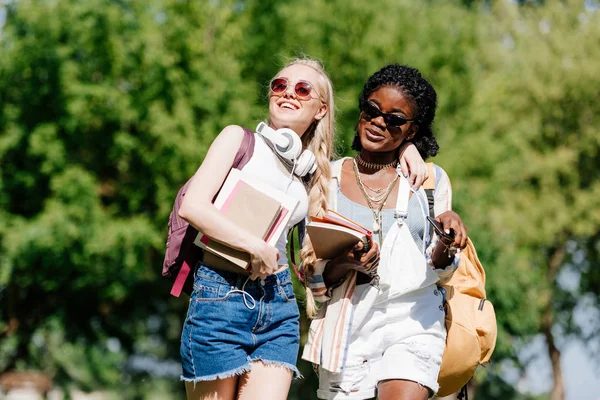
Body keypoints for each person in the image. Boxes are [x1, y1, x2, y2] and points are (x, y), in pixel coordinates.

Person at [177, 57, 428, 400]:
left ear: (321, 109)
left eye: (302, 89)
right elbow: (193, 205)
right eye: (279, 85)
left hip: (277, 304)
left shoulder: (314, 173)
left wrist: (410, 148)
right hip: (219, 298)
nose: (288, 94)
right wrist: (256, 246)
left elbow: (377, 152)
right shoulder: (238, 139)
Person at [301, 64, 468, 400]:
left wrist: (447, 242)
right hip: (345, 328)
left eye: (394, 120)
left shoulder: (429, 183)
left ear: (411, 130)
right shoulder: (325, 181)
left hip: (413, 322)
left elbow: (441, 269)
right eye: (372, 110)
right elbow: (312, 278)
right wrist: (348, 262)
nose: (379, 122)